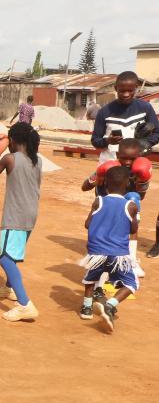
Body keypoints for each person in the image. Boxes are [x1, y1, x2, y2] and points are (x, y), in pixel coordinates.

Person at [0, 123, 43, 322]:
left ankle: (25, 304)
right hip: (30, 213)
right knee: (14, 253)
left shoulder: (10, 158)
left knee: (5, 258)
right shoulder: (38, 160)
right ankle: (10, 288)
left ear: (14, 141)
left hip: (15, 214)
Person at [79, 165, 140, 331]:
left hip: (96, 251)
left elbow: (87, 224)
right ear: (128, 184)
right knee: (131, 283)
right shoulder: (131, 206)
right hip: (118, 253)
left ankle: (86, 308)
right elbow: (133, 230)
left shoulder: (98, 200)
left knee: (91, 278)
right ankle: (111, 304)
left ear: (105, 183)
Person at [80, 138, 151, 273]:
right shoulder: (109, 168)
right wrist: (97, 178)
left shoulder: (140, 170)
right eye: (124, 158)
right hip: (105, 204)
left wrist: (141, 181)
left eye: (132, 158)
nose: (128, 162)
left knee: (134, 199)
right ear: (118, 156)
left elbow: (141, 196)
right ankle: (98, 257)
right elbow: (84, 187)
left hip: (125, 205)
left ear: (139, 157)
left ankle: (132, 259)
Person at [91, 71, 159, 164]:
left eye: (130, 91)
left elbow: (157, 133)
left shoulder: (145, 108)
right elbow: (95, 140)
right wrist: (108, 141)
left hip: (136, 162)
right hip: (110, 162)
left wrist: (144, 142)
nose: (126, 94)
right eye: (122, 91)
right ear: (116, 88)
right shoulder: (104, 111)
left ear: (136, 88)